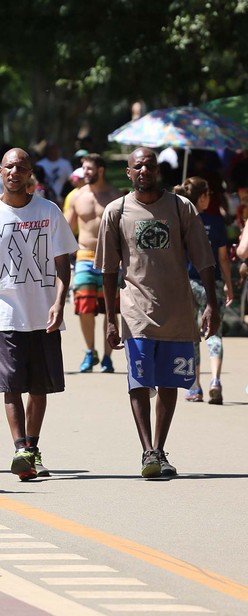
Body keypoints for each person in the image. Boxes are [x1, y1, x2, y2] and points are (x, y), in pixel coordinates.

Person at [94, 147, 218, 479]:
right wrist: (109, 318)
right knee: (138, 381)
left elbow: (204, 258)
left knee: (168, 383)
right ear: (130, 173)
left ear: (157, 170)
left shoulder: (181, 208)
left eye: (149, 165)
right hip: (135, 312)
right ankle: (147, 449)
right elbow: (107, 271)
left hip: (177, 312)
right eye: (138, 167)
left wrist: (212, 304)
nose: (144, 171)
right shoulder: (116, 212)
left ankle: (160, 450)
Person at [0, 148, 77, 481]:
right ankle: (20, 450)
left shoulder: (49, 211)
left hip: (44, 314)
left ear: (30, 174)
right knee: (11, 386)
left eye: (21, 168)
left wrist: (59, 302)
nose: (15, 172)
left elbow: (62, 264)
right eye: (9, 167)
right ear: (0, 171)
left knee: (39, 387)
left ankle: (32, 447)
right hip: (5, 314)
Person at [173, 177, 233, 404]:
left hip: (187, 284)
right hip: (212, 284)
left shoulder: (180, 221)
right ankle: (215, 380)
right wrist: (227, 284)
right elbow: (223, 258)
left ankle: (194, 385)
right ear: (202, 197)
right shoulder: (216, 223)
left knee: (192, 336)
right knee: (214, 334)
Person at [64, 154, 123, 373]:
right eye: (83, 169)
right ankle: (90, 352)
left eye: (89, 169)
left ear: (101, 170)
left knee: (111, 309)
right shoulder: (77, 197)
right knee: (84, 307)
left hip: (110, 260)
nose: (84, 172)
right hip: (85, 258)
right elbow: (66, 229)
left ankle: (108, 355)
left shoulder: (116, 196)